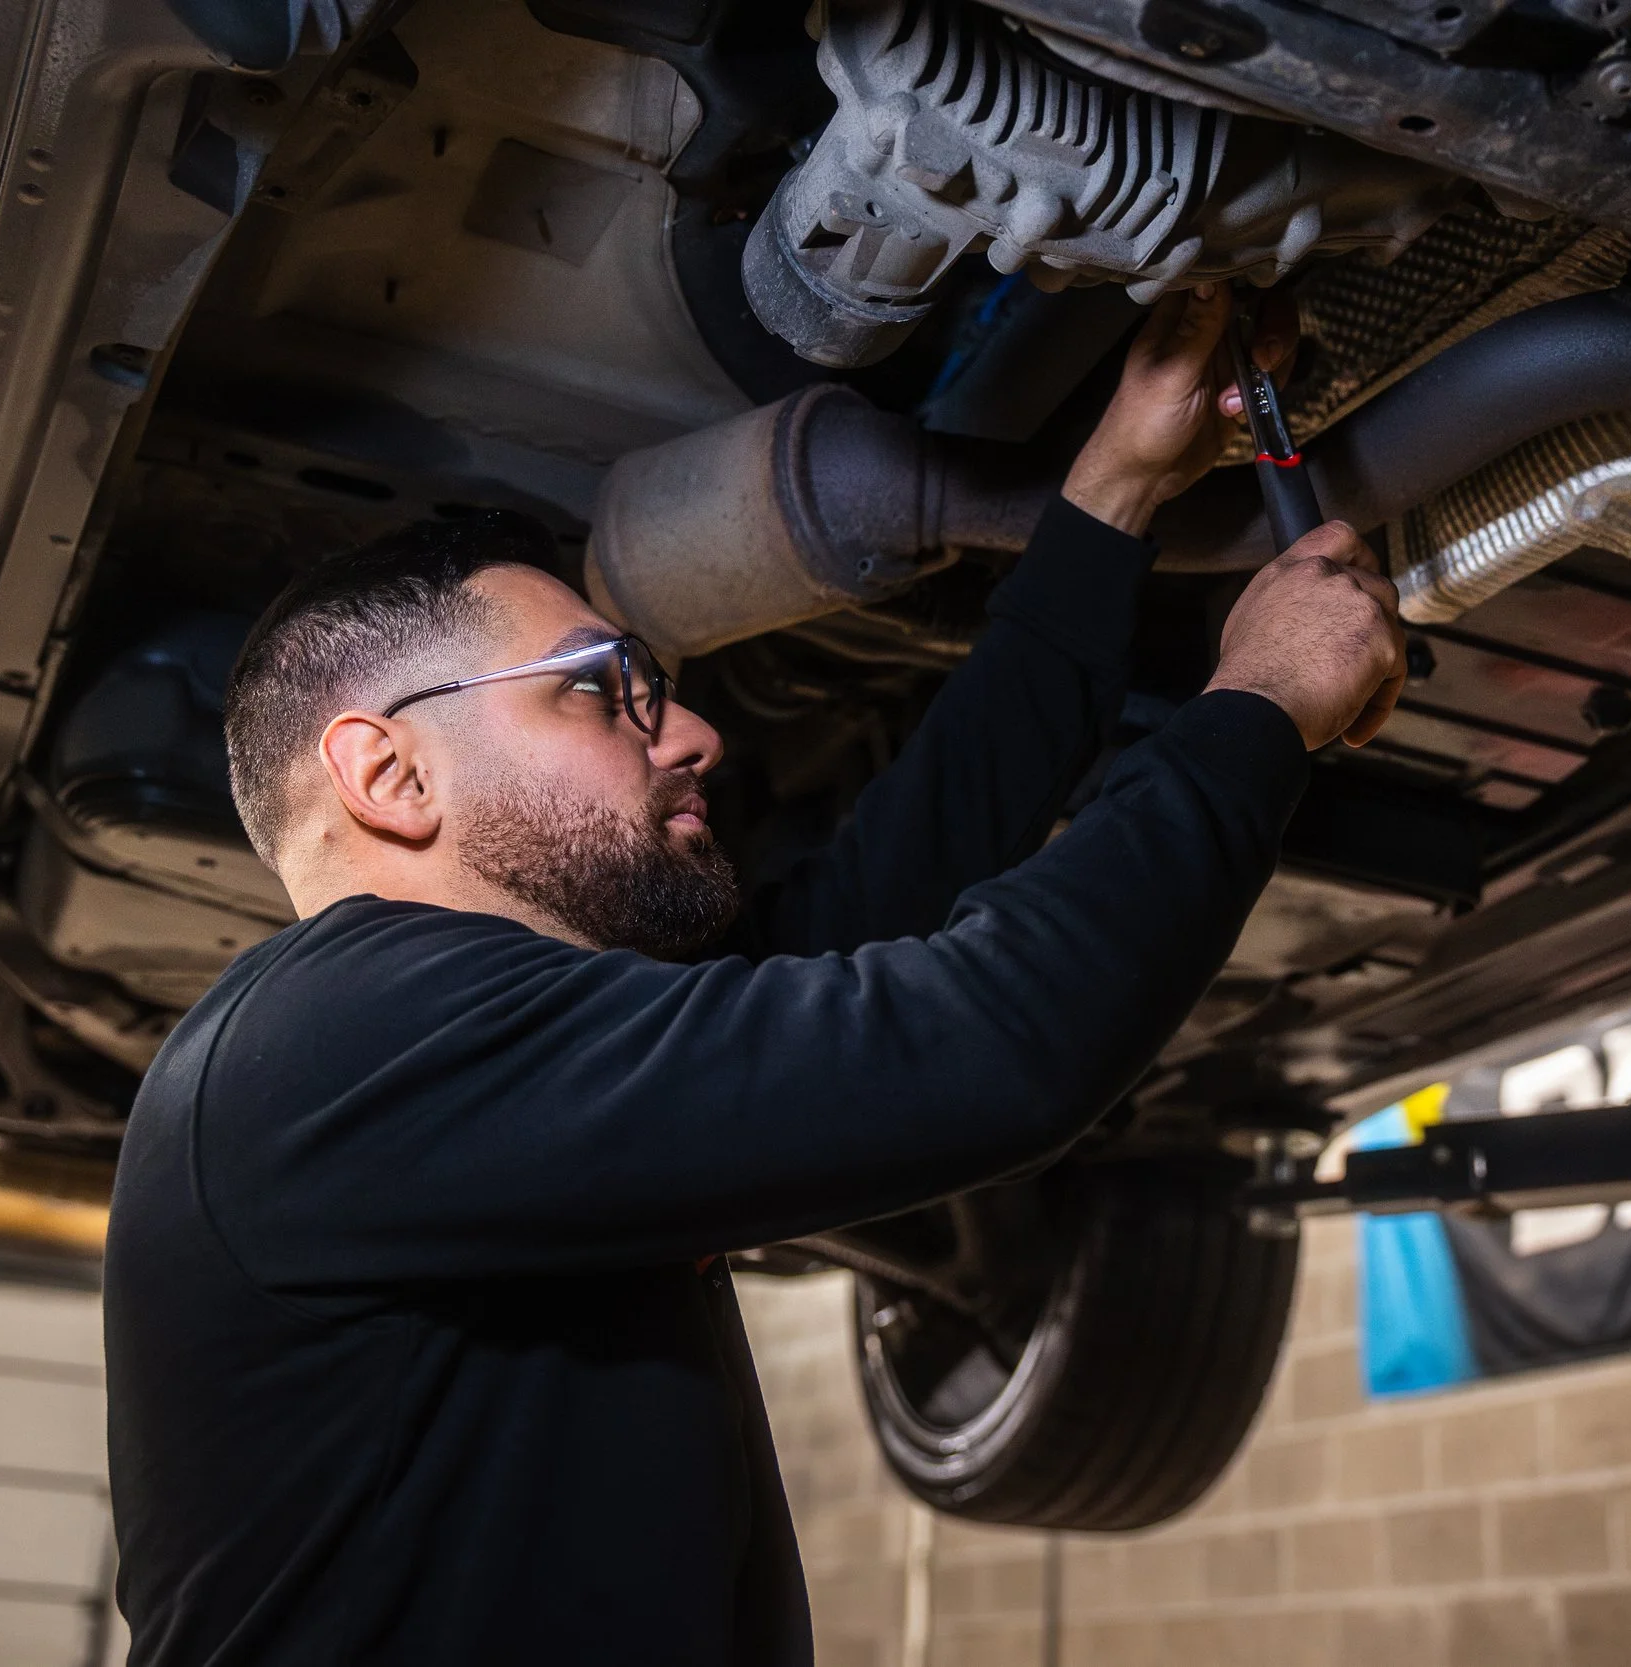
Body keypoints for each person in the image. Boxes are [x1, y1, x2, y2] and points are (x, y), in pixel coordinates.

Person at [104, 283, 1406, 1666]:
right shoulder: (335, 1040)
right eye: (597, 688)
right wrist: (1255, 710)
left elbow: (881, 902)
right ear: (390, 773)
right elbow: (978, 1043)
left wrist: (1113, 491)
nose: (694, 737)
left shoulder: (428, 1059)